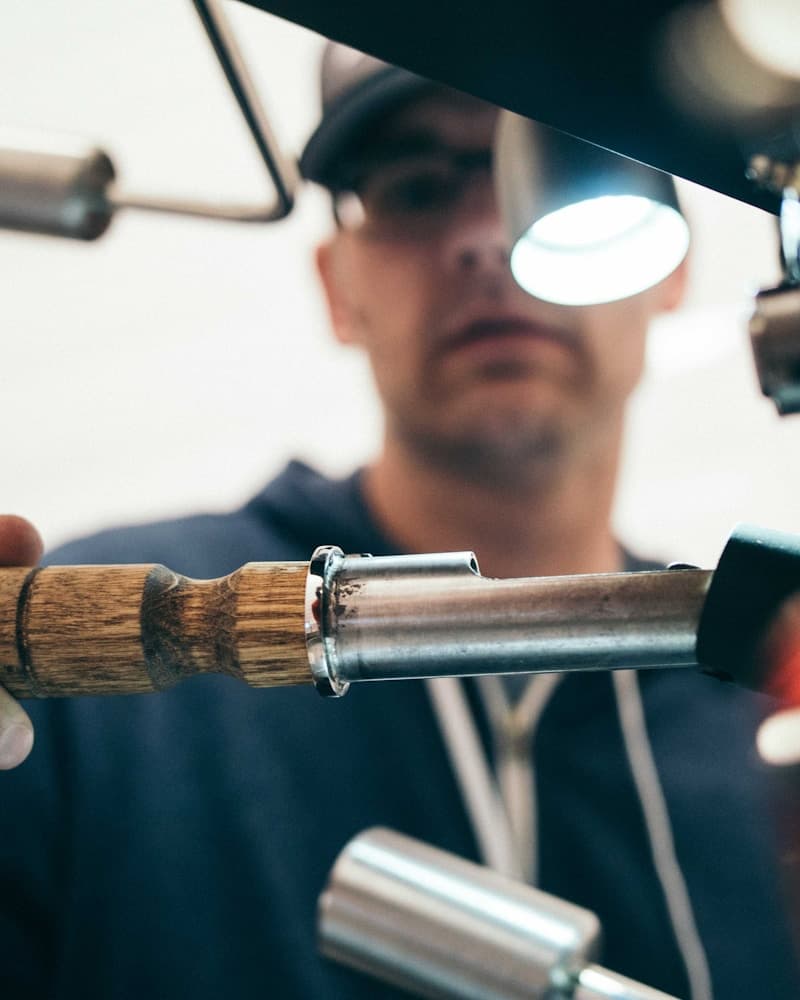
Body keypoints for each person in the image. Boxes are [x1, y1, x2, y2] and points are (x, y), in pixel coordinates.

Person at [1, 42, 798, 1000]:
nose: (488, 236)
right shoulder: (92, 673)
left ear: (672, 268)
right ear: (338, 287)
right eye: (416, 190)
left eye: (565, 177)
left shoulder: (767, 712)